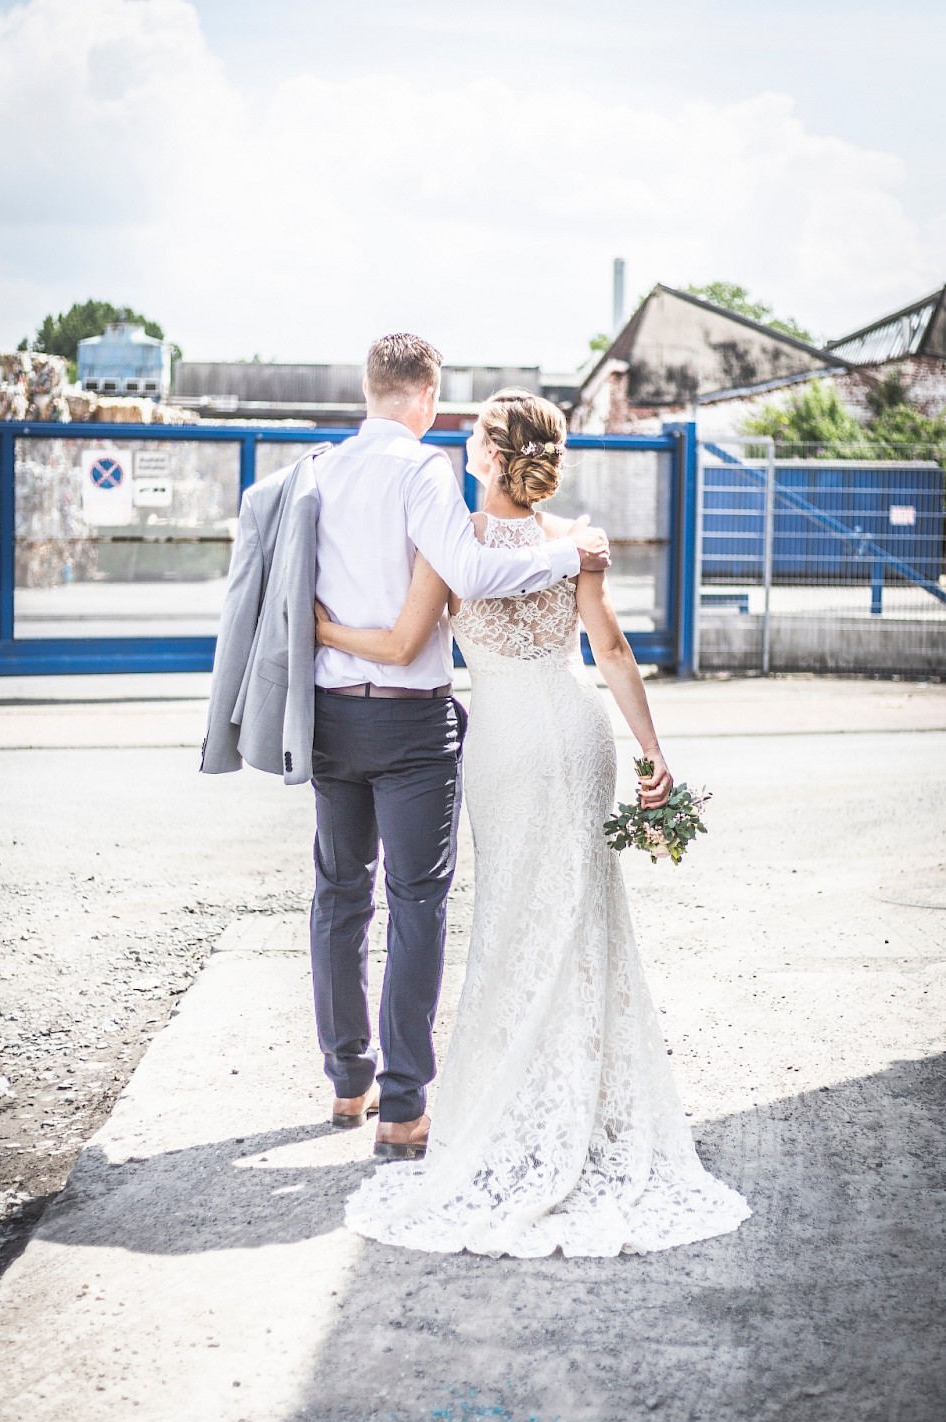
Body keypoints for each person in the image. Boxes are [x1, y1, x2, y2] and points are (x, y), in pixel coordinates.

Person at [316, 388, 751, 1258]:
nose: (463, 449)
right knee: (584, 914)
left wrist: (320, 626)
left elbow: (404, 646)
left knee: (514, 917)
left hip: (507, 741)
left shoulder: (452, 545)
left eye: (472, 439)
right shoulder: (574, 543)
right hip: (579, 723)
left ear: (487, 457)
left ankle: (514, 1099)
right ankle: (587, 1097)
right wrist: (654, 753)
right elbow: (615, 651)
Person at [310, 337, 611, 1160]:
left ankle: (347, 1080)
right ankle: (403, 1107)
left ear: (369, 387)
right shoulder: (423, 473)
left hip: (330, 711)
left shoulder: (319, 469)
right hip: (410, 724)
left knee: (339, 891)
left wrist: (324, 635)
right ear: (428, 394)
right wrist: (569, 550)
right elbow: (473, 574)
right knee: (415, 903)